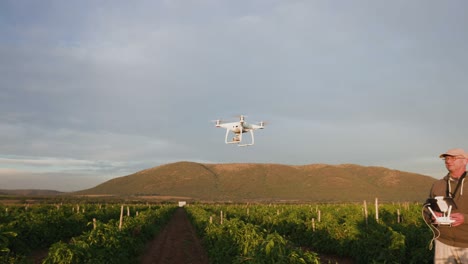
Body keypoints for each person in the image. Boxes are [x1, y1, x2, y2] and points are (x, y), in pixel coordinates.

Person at [429, 148, 468, 263]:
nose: (448, 161)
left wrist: (465, 218)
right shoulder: (437, 185)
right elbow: (427, 209)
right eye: (446, 158)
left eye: (453, 158)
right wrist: (432, 216)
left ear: (465, 161)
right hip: (443, 242)